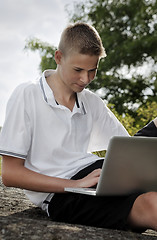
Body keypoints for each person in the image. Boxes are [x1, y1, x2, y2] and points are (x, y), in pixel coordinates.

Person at [1, 22, 157, 232]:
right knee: (151, 204)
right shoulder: (27, 94)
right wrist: (75, 185)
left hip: (95, 176)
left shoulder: (91, 101)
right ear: (59, 57)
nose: (85, 79)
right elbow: (10, 174)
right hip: (62, 193)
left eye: (92, 71)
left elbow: (129, 150)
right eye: (78, 70)